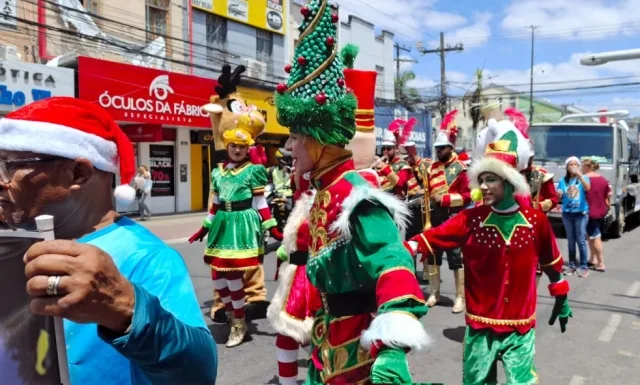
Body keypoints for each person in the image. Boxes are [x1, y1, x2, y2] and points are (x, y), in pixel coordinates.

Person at [0, 97, 217, 385]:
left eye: (9, 166)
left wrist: (127, 308)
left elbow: (199, 374)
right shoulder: (16, 241)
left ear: (78, 173)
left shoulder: (146, 257)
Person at [275, 2, 429, 383]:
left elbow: (392, 263)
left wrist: (392, 349)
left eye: (295, 137)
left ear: (318, 141)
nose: (289, 148)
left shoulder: (356, 196)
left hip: (359, 357)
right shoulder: (322, 193)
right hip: (327, 349)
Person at [410, 130, 573, 385]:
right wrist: (400, 250)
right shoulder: (470, 219)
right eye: (481, 179)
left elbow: (551, 261)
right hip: (480, 328)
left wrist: (561, 296)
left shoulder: (535, 221)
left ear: (509, 182)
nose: (483, 186)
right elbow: (432, 238)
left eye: (491, 180)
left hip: (520, 329)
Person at [189, 114, 283, 348]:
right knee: (218, 275)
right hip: (222, 223)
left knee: (232, 275)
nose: (238, 150)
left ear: (247, 148)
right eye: (234, 146)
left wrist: (273, 227)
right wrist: (205, 226)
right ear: (228, 146)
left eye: (242, 146)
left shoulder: (253, 171)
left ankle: (239, 323)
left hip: (242, 223)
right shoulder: (218, 172)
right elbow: (216, 203)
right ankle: (232, 315)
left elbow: (260, 203)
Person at [421, 110, 470, 313]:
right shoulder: (433, 168)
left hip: (453, 217)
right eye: (437, 149)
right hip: (435, 218)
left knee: (456, 257)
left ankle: (460, 297)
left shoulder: (461, 169)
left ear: (450, 147)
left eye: (441, 149)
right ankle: (434, 293)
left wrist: (446, 199)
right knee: (432, 254)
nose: (438, 152)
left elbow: (468, 196)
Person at [558, 156, 591, 277]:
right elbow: (559, 195)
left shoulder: (584, 178)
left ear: (579, 166)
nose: (573, 166)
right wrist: (559, 193)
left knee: (581, 240)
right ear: (567, 167)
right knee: (571, 241)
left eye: (575, 164)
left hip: (581, 213)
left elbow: (588, 188)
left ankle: (583, 266)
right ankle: (571, 265)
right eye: (570, 165)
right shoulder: (563, 180)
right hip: (567, 213)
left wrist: (580, 176)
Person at [377, 118, 420, 199]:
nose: (385, 151)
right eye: (384, 148)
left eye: (389, 148)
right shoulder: (382, 164)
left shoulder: (403, 165)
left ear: (396, 148)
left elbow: (400, 184)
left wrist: (385, 168)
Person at [583, 158, 610, 272]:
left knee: (595, 236)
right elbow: (608, 195)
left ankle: (601, 262)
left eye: (582, 166)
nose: (581, 168)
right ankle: (592, 259)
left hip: (590, 211)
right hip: (600, 211)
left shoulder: (584, 179)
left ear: (587, 167)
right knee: (591, 235)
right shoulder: (603, 179)